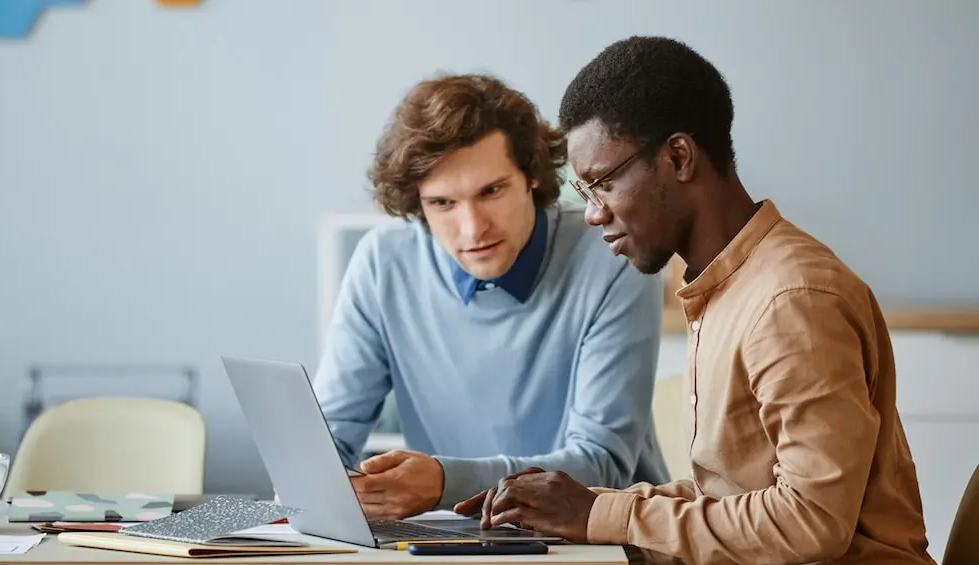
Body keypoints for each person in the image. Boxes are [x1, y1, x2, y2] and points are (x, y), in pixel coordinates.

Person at [455, 36, 936, 564]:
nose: (592, 213)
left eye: (602, 185)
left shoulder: (791, 301)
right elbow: (732, 503)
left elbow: (811, 520)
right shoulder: (731, 284)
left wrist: (600, 516)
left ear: (678, 157)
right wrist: (585, 507)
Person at [310, 73, 670, 521]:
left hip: (596, 537)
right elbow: (325, 441)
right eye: (442, 203)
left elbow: (601, 465)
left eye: (491, 191)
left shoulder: (613, 255)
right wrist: (331, 484)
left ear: (532, 177)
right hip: (450, 537)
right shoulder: (384, 261)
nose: (473, 228)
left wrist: (444, 481)